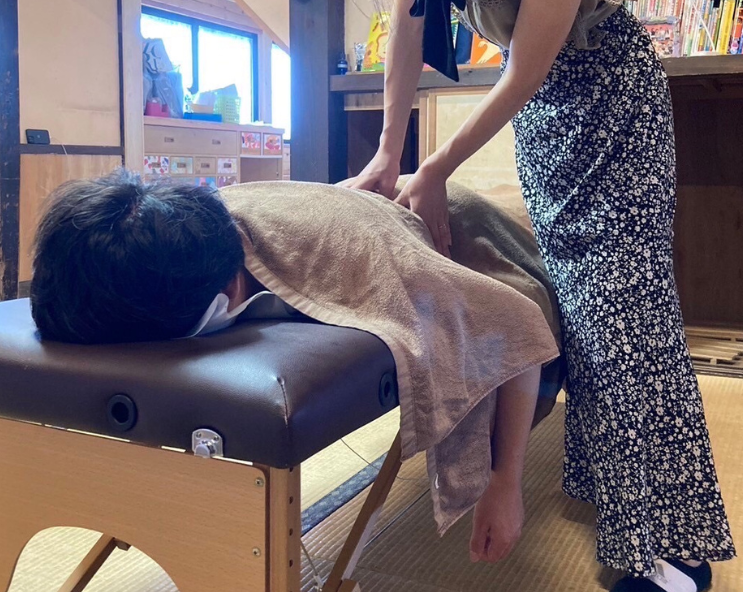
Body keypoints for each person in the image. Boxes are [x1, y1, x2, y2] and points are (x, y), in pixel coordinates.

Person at [310, 0, 735, 592]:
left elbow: (525, 71)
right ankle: (616, 485)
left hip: (609, 104)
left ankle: (678, 548)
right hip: (548, 123)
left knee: (625, 317)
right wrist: (388, 152)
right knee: (576, 311)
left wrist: (436, 169)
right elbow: (407, 32)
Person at [30, 169, 564, 566]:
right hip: (348, 205)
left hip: (453, 226)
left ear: (228, 291)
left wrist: (504, 482)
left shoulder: (355, 263)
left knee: (546, 263)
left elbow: (518, 320)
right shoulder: (167, 234)